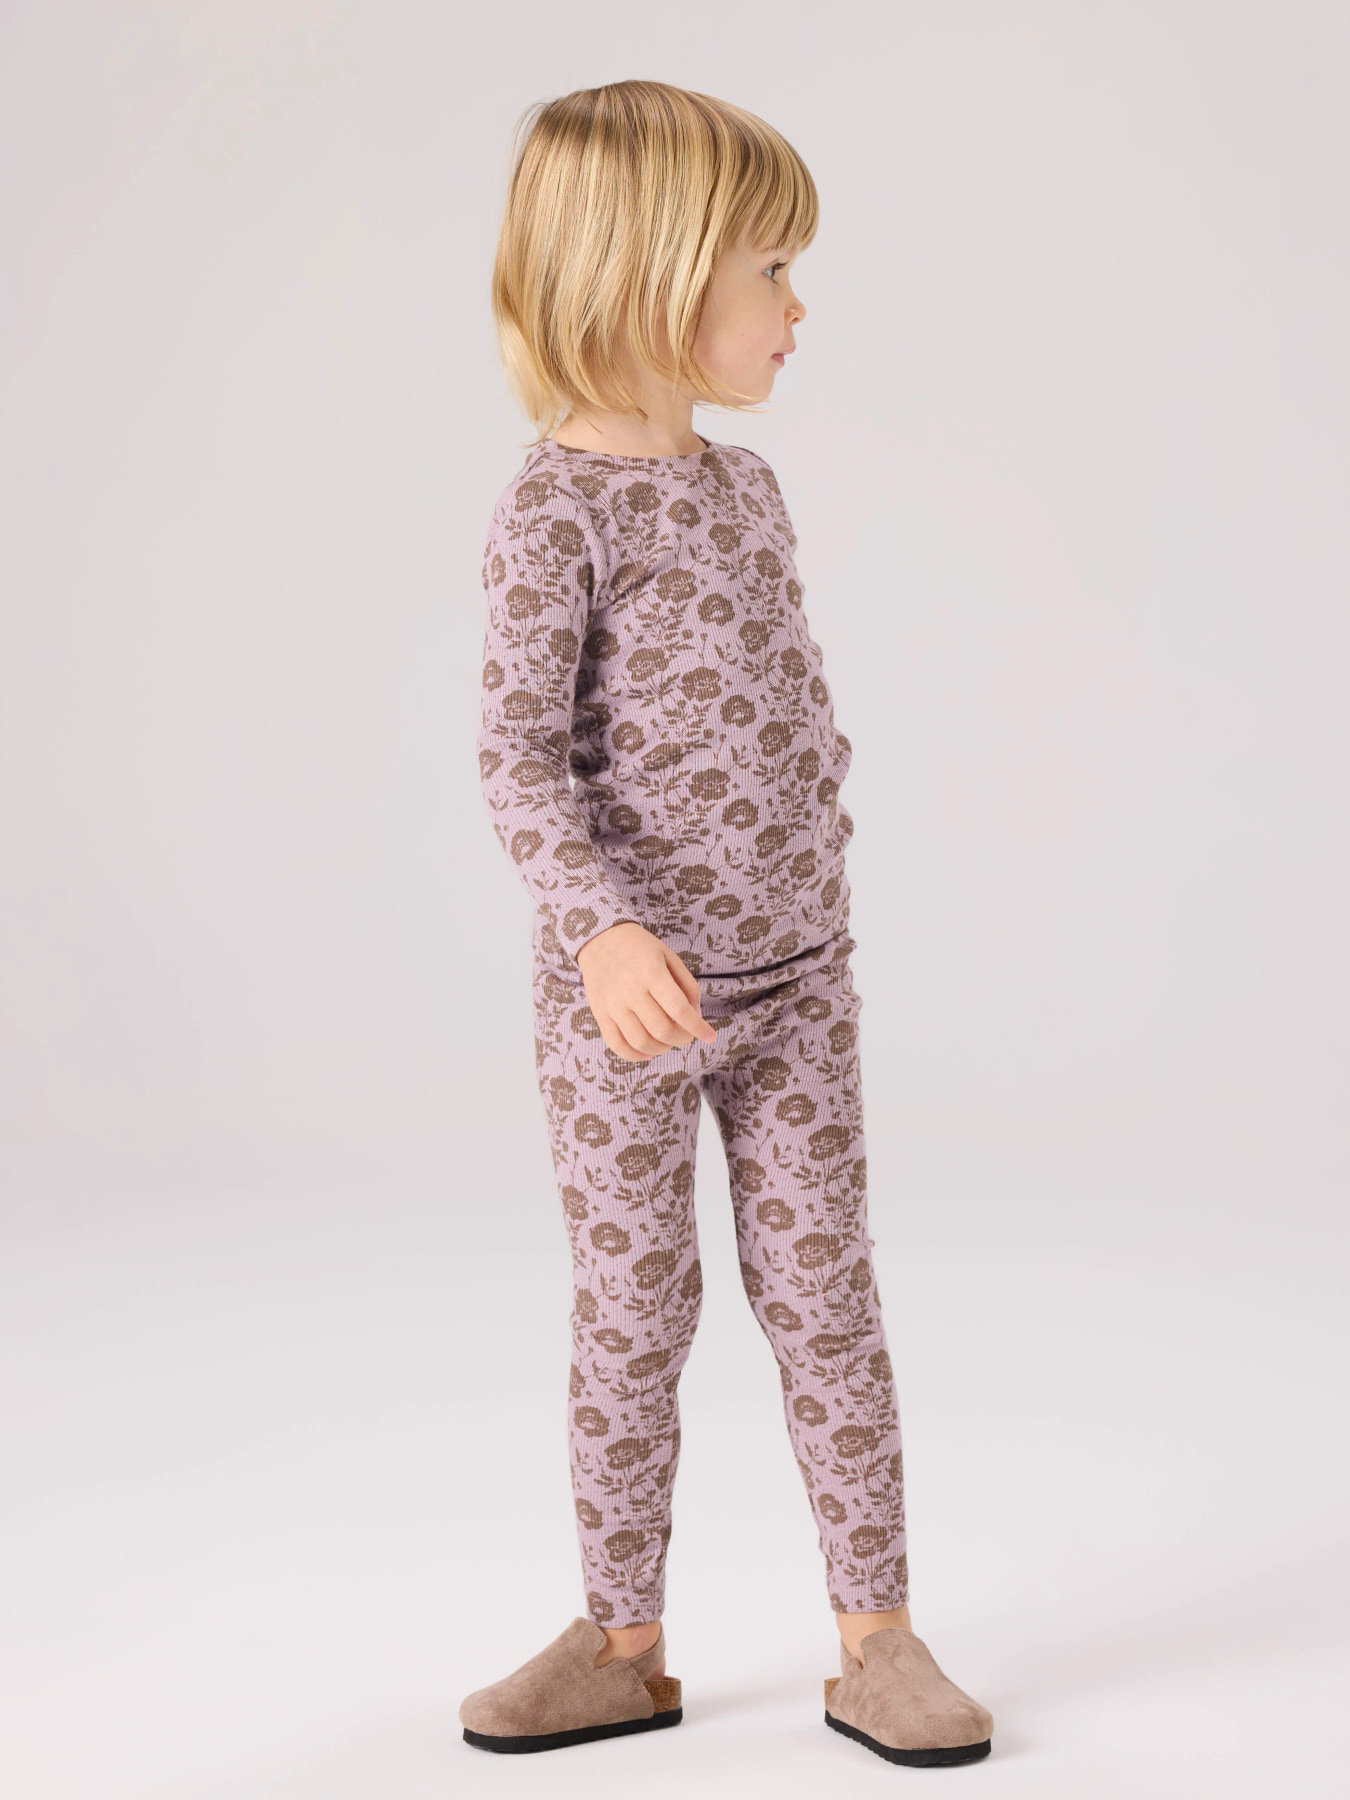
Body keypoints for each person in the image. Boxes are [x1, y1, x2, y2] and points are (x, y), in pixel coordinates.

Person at [458, 78, 994, 1768]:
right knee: (634, 1319)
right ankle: (619, 1642)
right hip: (633, 1008)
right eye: (769, 268)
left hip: (799, 985)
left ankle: (877, 1637)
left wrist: (820, 837)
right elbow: (516, 757)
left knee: (827, 1299)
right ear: (647, 277)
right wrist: (602, 934)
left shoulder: (746, 489)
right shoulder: (554, 513)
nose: (796, 306)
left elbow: (783, 701)